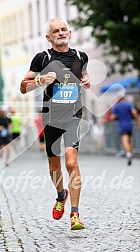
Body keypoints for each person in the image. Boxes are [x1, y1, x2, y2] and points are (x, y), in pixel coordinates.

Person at [20, 17, 90, 230]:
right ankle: (61, 195)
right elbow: (23, 86)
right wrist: (40, 81)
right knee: (54, 165)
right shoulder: (42, 58)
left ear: (69, 33)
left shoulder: (80, 56)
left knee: (71, 162)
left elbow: (84, 78)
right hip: (51, 118)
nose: (60, 33)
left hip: (73, 117)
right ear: (48, 37)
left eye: (63, 30)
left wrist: (86, 82)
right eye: (55, 31)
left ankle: (75, 215)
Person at [110, 96, 139, 165]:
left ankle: (128, 154)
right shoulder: (129, 104)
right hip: (130, 125)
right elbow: (134, 113)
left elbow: (112, 117)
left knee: (124, 141)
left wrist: (116, 116)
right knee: (129, 140)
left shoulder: (116, 107)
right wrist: (137, 120)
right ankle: (130, 153)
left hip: (122, 126)